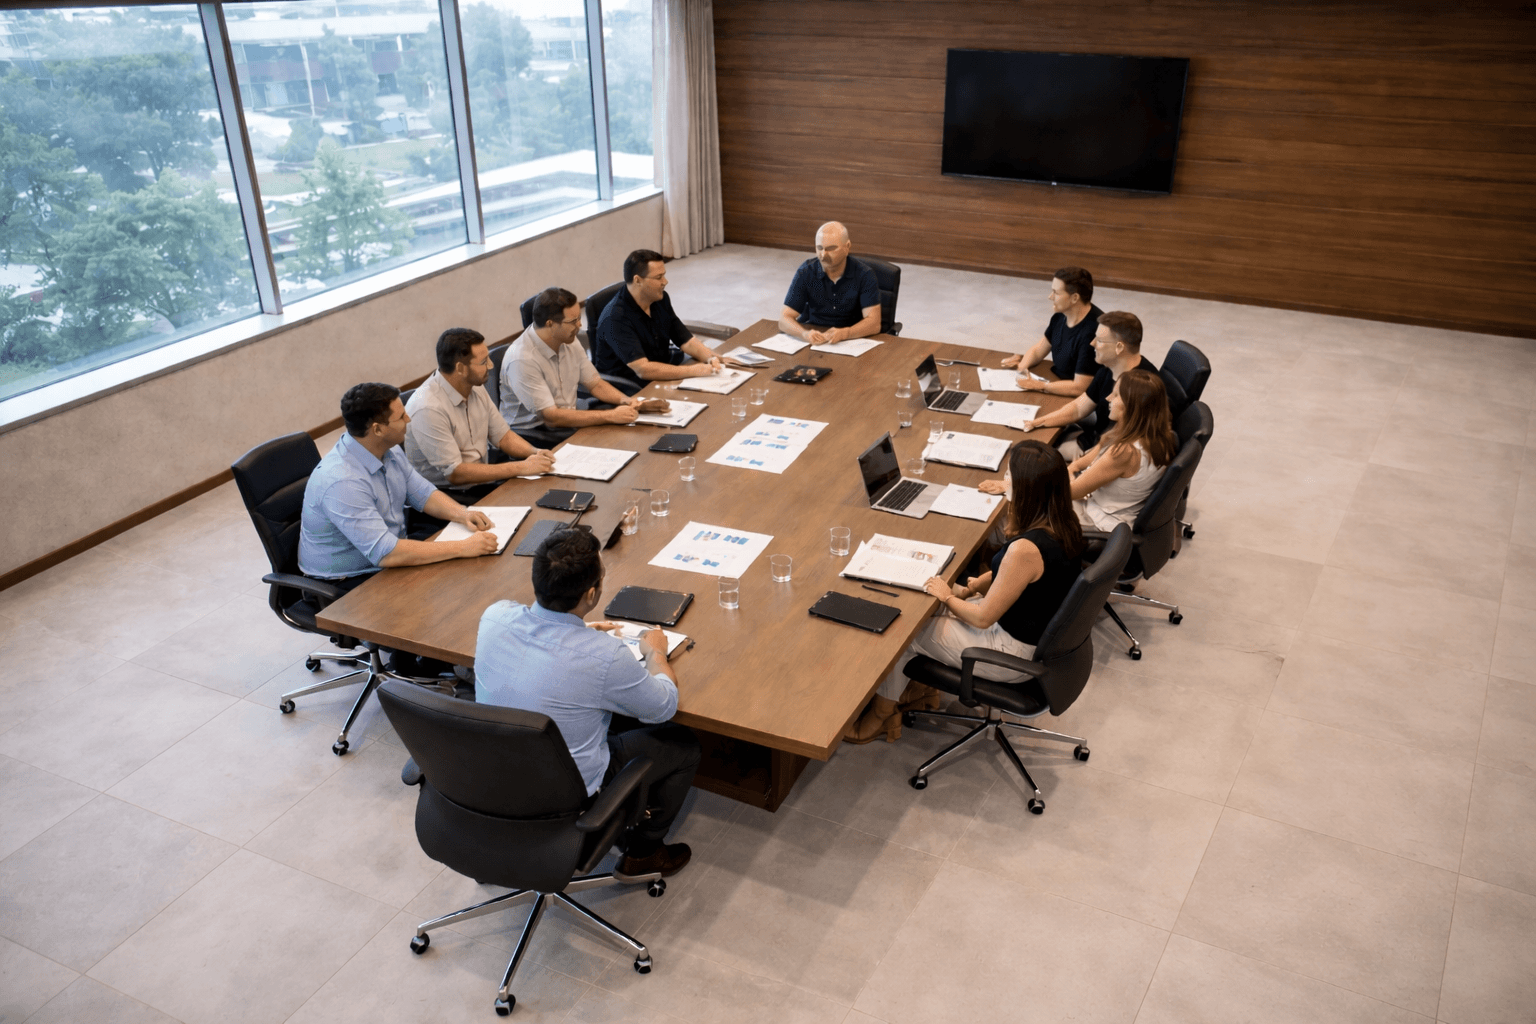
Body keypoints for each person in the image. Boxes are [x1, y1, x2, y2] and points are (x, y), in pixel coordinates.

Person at [475, 526, 700, 877]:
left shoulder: (494, 617)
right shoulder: (605, 657)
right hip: (564, 797)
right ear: (592, 593)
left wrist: (578, 633)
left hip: (490, 782)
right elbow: (662, 708)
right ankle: (643, 854)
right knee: (682, 743)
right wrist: (656, 654)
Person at [843, 441, 1084, 744]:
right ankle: (919, 693)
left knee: (904, 630)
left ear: (1026, 489)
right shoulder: (1062, 521)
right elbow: (1013, 575)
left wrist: (948, 596)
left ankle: (879, 719)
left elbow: (983, 618)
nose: (1004, 480)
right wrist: (971, 588)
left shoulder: (1026, 549)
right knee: (928, 609)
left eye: (1009, 476)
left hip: (1011, 651)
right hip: (1032, 631)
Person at [299, 382, 499, 594]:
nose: (408, 420)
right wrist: (462, 547)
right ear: (377, 429)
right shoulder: (342, 482)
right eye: (401, 417)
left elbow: (423, 493)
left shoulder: (389, 449)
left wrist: (462, 513)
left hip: (387, 555)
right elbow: (386, 553)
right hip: (348, 581)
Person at [403, 327, 554, 506]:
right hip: (450, 495)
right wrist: (520, 467)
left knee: (544, 491)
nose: (490, 365)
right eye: (483, 362)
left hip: (481, 481)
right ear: (460, 368)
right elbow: (456, 473)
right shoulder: (427, 408)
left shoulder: (475, 387)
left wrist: (535, 453)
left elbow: (503, 437)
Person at [501, 287, 670, 447]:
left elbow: (595, 383)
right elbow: (551, 418)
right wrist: (610, 416)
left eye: (579, 318)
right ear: (550, 324)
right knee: (614, 438)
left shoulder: (568, 339)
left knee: (631, 429)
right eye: (573, 321)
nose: (579, 326)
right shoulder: (522, 360)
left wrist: (629, 401)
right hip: (535, 431)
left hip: (567, 413)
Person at [1007, 310, 1159, 460]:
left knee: (1034, 455)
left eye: (1099, 340)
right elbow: (1078, 408)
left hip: (1103, 452)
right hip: (1097, 436)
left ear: (1119, 347)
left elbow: (1117, 449)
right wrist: (1036, 422)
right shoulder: (1108, 368)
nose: (1092, 343)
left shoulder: (1140, 388)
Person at [594, 249, 724, 394]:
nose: (665, 282)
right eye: (659, 277)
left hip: (662, 369)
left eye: (664, 275)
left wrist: (710, 358)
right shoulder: (615, 318)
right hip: (632, 386)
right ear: (638, 280)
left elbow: (685, 339)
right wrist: (692, 371)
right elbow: (643, 369)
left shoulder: (660, 299)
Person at [1066, 368, 1178, 530]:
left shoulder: (1125, 452)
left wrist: (1069, 472)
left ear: (1132, 405)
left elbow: (1072, 492)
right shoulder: (1159, 433)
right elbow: (1096, 452)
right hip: (1111, 510)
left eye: (1116, 395)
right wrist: (1074, 467)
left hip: (1098, 521)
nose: (1108, 398)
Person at [1000, 267, 1103, 398]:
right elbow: (1038, 350)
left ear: (1074, 298)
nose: (1050, 297)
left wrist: (1041, 386)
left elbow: (1080, 387)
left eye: (1056, 293)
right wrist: (1021, 369)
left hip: (1083, 398)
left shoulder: (1094, 331)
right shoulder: (1060, 316)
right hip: (1059, 382)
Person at [777, 221, 882, 344]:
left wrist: (845, 333)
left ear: (847, 247)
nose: (823, 255)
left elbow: (874, 324)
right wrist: (804, 334)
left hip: (852, 339)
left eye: (831, 249)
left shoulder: (865, 274)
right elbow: (784, 319)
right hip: (815, 336)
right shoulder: (806, 272)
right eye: (819, 248)